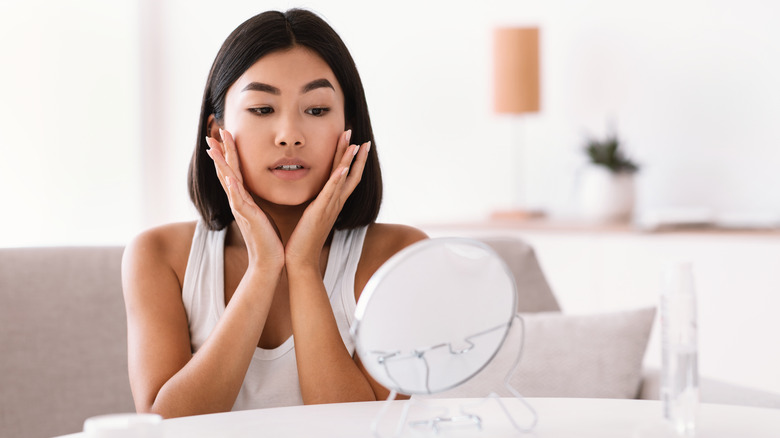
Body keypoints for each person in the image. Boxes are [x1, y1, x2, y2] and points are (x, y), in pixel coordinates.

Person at [121, 9, 427, 419]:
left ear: (349, 129)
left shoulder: (401, 256)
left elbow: (364, 426)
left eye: (316, 110)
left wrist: (302, 265)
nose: (290, 136)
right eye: (263, 109)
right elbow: (164, 425)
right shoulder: (159, 256)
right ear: (216, 133)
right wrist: (263, 267)